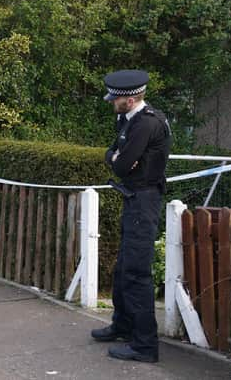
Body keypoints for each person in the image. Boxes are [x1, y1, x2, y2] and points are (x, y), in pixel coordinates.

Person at [90, 70, 171, 363]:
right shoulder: (131, 120)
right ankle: (123, 326)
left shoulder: (146, 123)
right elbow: (112, 154)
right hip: (134, 198)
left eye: (116, 99)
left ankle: (145, 345)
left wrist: (120, 159)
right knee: (124, 266)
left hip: (144, 200)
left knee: (137, 273)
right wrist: (118, 157)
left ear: (131, 98)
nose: (112, 103)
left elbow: (121, 165)